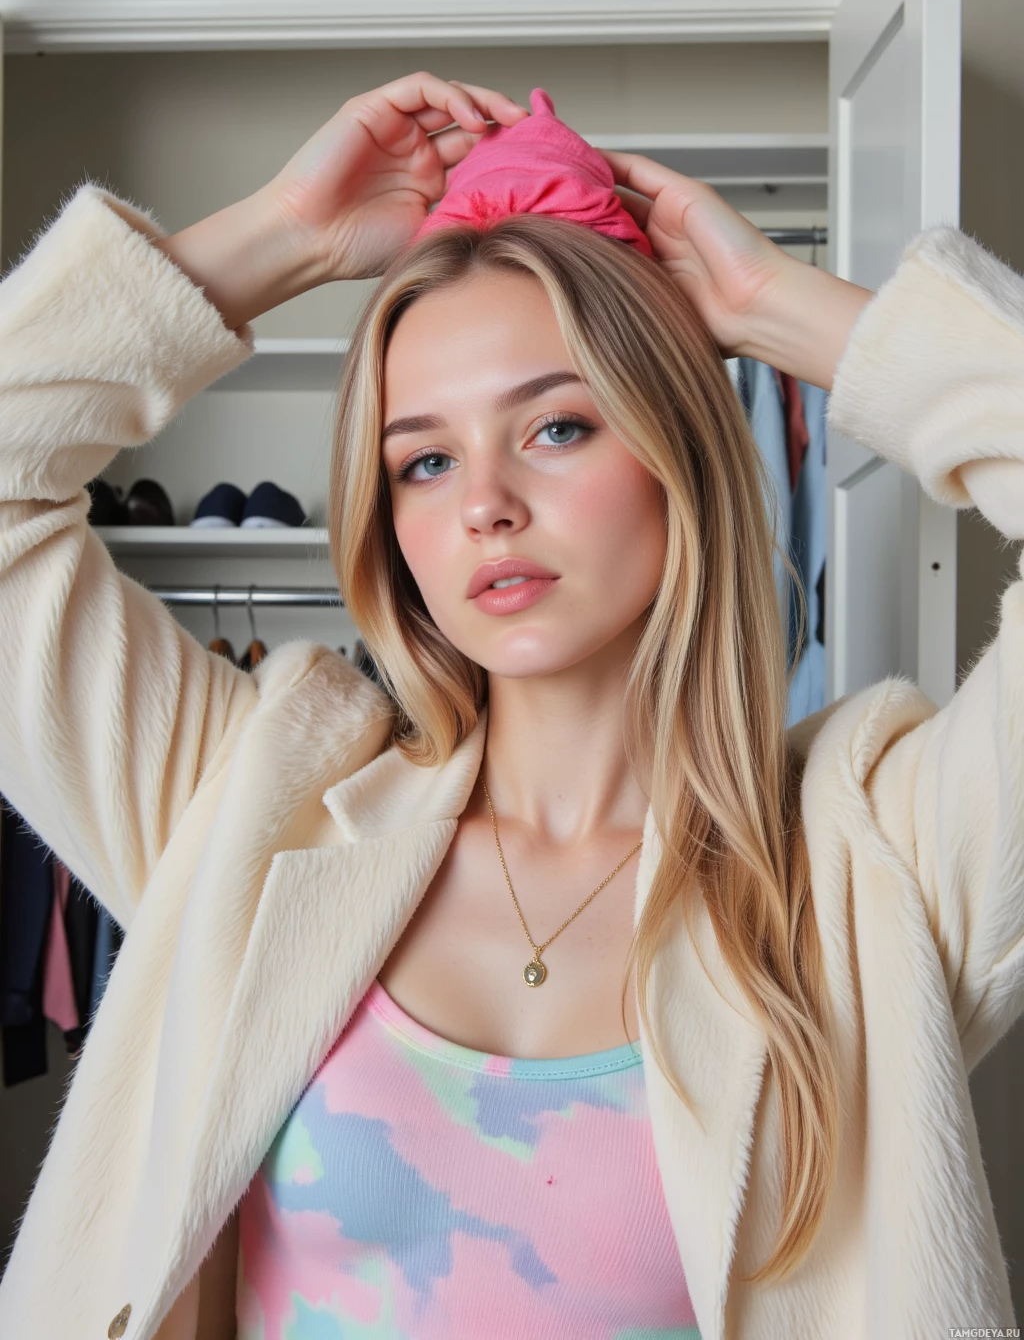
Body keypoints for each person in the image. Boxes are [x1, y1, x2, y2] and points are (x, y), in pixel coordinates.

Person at [0, 70, 1021, 1340]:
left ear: (678, 452)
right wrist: (281, 238)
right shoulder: (252, 808)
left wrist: (783, 309)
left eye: (556, 428)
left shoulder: (873, 868)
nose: (484, 503)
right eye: (426, 459)